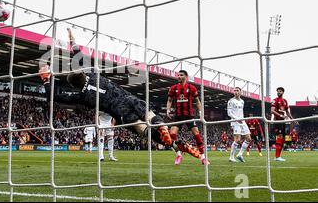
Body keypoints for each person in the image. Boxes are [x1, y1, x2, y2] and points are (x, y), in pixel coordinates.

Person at [39, 28, 202, 161]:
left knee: (146, 131)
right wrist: (72, 39)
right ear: (82, 73)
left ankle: (175, 143)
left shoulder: (82, 97)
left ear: (74, 85)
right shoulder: (93, 75)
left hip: (122, 114)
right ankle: (161, 125)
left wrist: (46, 79)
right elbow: (77, 55)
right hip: (129, 99)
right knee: (151, 116)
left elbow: (53, 97)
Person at [166, 70, 209, 165]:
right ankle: (178, 155)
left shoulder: (191, 88)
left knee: (197, 135)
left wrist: (201, 112)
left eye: (181, 75)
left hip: (189, 115)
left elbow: (197, 101)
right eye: (178, 75)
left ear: (186, 76)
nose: (179, 77)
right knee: (172, 135)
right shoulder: (173, 88)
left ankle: (203, 157)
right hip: (177, 116)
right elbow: (169, 100)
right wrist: (168, 110)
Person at [227, 87, 251, 163]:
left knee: (248, 139)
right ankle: (231, 157)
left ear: (241, 92)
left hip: (242, 121)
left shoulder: (242, 101)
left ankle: (240, 154)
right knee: (237, 140)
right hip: (235, 121)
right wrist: (237, 119)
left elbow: (241, 112)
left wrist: (242, 119)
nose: (236, 92)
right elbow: (229, 113)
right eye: (235, 91)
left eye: (237, 90)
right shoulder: (231, 101)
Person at [271, 87, 294, 162]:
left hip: (283, 122)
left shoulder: (285, 101)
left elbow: (287, 112)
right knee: (280, 137)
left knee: (283, 139)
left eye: (280, 91)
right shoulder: (274, 100)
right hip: (277, 121)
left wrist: (292, 119)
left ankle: (278, 156)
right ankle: (277, 157)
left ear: (283, 92)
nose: (278, 92)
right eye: (278, 91)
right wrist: (281, 116)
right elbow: (272, 111)